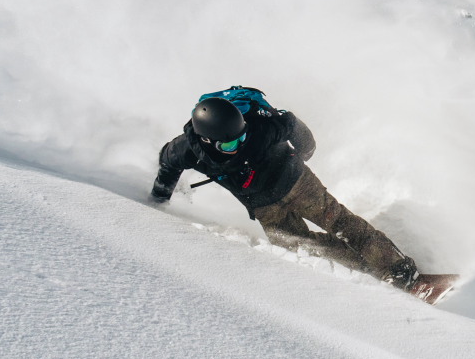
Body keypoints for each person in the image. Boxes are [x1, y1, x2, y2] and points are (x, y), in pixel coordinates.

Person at [150, 93, 420, 289]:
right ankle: (373, 269)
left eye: (242, 136)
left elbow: (291, 124)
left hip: (297, 182)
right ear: (207, 141)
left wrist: (305, 152)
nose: (240, 143)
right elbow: (167, 162)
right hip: (264, 205)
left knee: (340, 222)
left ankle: (400, 271)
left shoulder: (260, 127)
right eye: (231, 144)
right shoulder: (186, 149)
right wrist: (159, 198)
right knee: (303, 247)